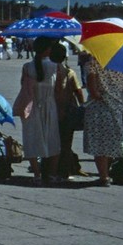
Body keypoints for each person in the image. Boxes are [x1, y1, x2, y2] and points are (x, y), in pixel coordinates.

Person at [15, 36, 60, 185]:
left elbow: (24, 86)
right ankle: (52, 174)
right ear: (48, 49)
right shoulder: (55, 65)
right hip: (49, 105)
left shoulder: (27, 66)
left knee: (32, 139)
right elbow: (59, 89)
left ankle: (37, 174)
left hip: (31, 106)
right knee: (52, 139)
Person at [82, 51, 123, 186]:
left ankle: (104, 176)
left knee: (99, 144)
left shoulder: (92, 65)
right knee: (112, 142)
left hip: (99, 108)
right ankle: (107, 172)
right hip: (116, 107)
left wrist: (100, 95)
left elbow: (92, 90)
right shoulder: (119, 67)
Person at [50, 43, 86, 179]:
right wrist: (83, 106)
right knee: (65, 143)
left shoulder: (47, 73)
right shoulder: (70, 73)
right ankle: (64, 171)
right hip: (67, 111)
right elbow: (78, 92)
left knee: (51, 141)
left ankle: (50, 168)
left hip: (51, 110)